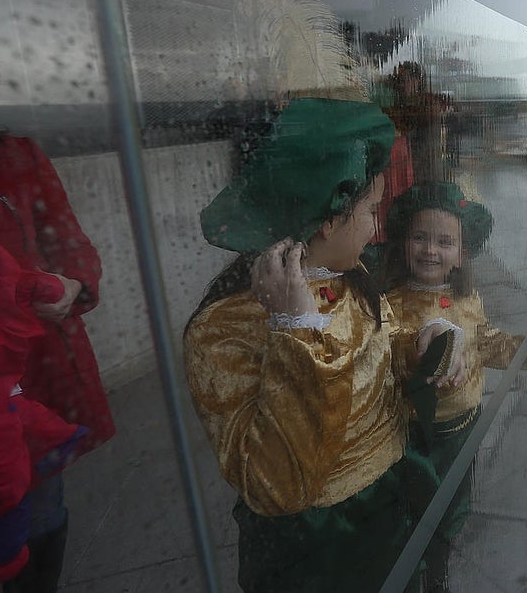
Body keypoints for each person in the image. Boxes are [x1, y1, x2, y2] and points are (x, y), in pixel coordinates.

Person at [183, 98, 463, 593]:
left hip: (390, 503)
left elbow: (378, 348)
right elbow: (277, 483)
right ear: (330, 219)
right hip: (322, 543)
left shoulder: (348, 279)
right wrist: (296, 330)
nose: (376, 228)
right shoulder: (225, 329)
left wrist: (423, 343)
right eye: (371, 211)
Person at [382, 181, 527, 590]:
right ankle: (413, 567)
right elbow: (392, 354)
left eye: (444, 242)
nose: (430, 250)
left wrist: (525, 349)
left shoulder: (467, 296)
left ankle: (440, 565)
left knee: (454, 501)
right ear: (404, 244)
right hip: (418, 432)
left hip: (464, 426)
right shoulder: (394, 301)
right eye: (420, 237)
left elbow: (483, 341)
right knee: (416, 503)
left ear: (461, 253)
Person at [0, 130, 114, 593]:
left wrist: (72, 284)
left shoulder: (15, 155)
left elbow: (68, 241)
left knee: (39, 508)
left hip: (29, 379)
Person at [0, 243, 88, 586]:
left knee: (44, 518)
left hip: (29, 395)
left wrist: (70, 284)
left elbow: (68, 246)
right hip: (15, 414)